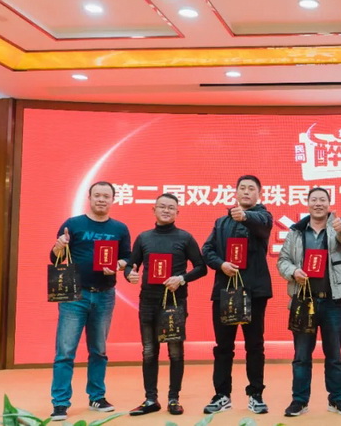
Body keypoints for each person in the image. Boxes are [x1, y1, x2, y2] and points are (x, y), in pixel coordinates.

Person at [48, 181, 131, 421]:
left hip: (105, 294)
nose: (101, 199)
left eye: (106, 196)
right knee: (65, 351)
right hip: (75, 295)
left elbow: (127, 258)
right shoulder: (72, 224)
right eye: (97, 195)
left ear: (113, 200)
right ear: (90, 197)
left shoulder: (120, 228)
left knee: (99, 350)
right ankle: (60, 403)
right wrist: (58, 246)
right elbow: (55, 258)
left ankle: (97, 397)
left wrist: (119, 265)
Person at [277, 188, 341, 417]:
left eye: (323, 200)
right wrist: (293, 272)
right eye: (314, 200)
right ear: (308, 203)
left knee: (335, 356)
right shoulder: (296, 232)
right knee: (301, 356)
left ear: (329, 204)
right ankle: (299, 401)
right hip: (304, 301)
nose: (318, 203)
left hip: (332, 302)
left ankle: (337, 399)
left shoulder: (337, 226)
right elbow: (282, 260)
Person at [123, 193, 207, 416]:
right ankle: (150, 399)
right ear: (154, 210)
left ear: (177, 212)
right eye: (162, 206)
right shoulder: (144, 238)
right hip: (148, 302)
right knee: (149, 351)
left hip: (174, 303)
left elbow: (201, 267)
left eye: (171, 207)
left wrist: (182, 279)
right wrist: (129, 274)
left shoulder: (185, 238)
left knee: (175, 352)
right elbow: (131, 265)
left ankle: (173, 399)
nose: (166, 210)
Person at [201, 175, 274, 415]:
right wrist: (221, 264)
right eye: (242, 188)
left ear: (258, 194)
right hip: (226, 291)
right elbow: (207, 250)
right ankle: (222, 395)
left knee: (255, 345)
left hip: (254, 292)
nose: (246, 192)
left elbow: (261, 224)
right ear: (236, 192)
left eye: (251, 189)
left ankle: (256, 394)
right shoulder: (221, 222)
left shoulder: (263, 217)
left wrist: (245, 216)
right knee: (223, 346)